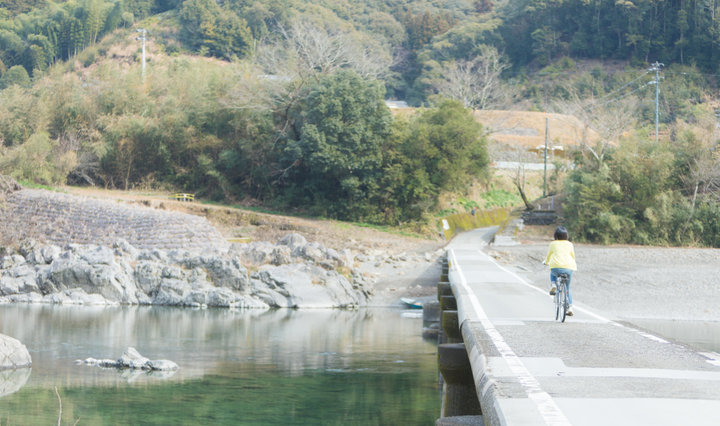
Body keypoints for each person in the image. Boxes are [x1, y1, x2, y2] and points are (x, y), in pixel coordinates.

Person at [543, 226, 577, 316]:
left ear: (556, 235)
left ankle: (553, 284)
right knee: (568, 287)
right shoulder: (570, 244)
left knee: (552, 270)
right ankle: (570, 307)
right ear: (566, 235)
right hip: (569, 268)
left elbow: (549, 255)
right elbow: (573, 256)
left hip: (556, 267)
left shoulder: (553, 244)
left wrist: (546, 262)